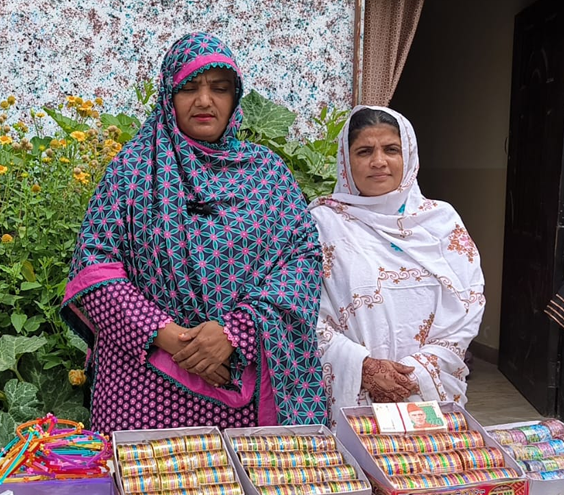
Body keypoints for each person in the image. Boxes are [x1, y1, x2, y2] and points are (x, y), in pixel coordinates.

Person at [62, 32, 325, 434]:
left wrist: (236, 332)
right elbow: (93, 271)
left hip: (244, 382)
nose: (205, 100)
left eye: (219, 88)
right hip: (144, 388)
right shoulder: (132, 172)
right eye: (190, 87)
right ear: (169, 95)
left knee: (243, 492)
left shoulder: (269, 174)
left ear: (235, 98)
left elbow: (300, 261)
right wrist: (171, 338)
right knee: (149, 493)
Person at [310, 106, 485, 428]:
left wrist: (416, 371)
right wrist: (363, 367)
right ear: (346, 162)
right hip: (353, 390)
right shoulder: (322, 224)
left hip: (428, 388)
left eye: (391, 149)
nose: (379, 162)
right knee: (359, 474)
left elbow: (468, 304)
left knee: (423, 472)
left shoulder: (442, 223)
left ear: (409, 156)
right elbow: (303, 309)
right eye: (364, 151)